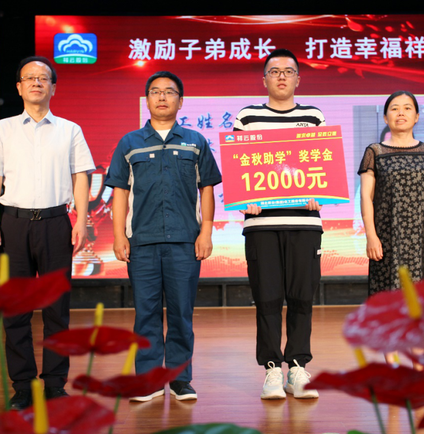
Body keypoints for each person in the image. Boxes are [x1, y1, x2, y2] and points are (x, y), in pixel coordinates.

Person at [0, 56, 95, 410]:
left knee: (58, 309)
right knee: (16, 310)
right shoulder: (2, 129)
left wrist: (81, 220)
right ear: (19, 87)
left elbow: (81, 176)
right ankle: (23, 386)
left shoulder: (70, 130)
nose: (36, 83)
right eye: (29, 78)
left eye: (43, 78)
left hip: (56, 223)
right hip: (13, 224)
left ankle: (55, 384)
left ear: (53, 87)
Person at [105, 71, 221, 402]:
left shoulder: (195, 141)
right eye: (155, 91)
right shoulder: (130, 143)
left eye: (169, 92)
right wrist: (118, 235)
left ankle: (181, 379)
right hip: (142, 242)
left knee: (182, 313)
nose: (162, 97)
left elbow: (207, 188)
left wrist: (206, 231)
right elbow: (120, 192)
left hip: (185, 241)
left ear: (180, 101)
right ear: (147, 100)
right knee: (146, 314)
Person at [233, 49, 324, 400]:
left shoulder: (313, 116)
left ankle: (298, 367)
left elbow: (323, 166)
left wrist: (321, 193)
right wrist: (245, 197)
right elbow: (240, 169)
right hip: (261, 225)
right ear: (264, 79)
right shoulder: (248, 117)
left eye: (288, 71)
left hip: (305, 222)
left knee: (302, 297)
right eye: (274, 71)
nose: (282, 76)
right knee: (267, 297)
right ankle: (272, 368)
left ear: (299, 78)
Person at [358, 90, 424, 296]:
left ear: (416, 116)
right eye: (394, 109)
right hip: (387, 236)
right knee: (390, 296)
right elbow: (366, 197)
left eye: (407, 108)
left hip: (423, 236)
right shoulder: (374, 152)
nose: (401, 113)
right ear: (386, 118)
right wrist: (371, 236)